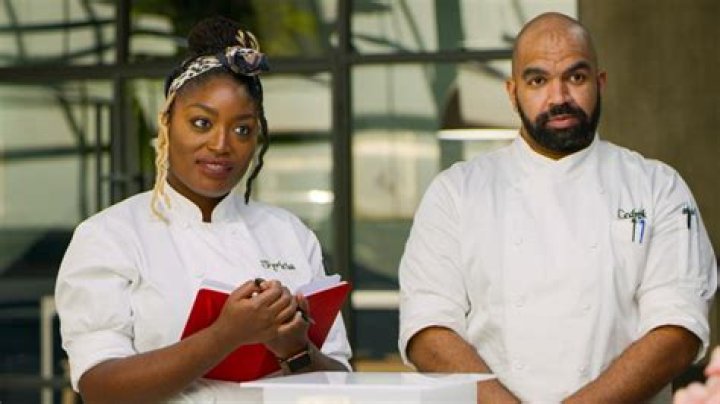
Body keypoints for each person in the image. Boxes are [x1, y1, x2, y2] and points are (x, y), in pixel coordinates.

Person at [398, 11, 716, 404]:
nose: (559, 97)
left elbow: (678, 329)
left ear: (600, 83)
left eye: (576, 77)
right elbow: (428, 330)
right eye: (538, 81)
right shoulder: (456, 193)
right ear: (512, 92)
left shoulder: (658, 187)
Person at [55, 16, 351, 403]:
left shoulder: (288, 233)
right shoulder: (110, 236)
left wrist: (296, 350)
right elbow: (100, 388)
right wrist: (225, 335)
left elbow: (342, 383)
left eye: (242, 129)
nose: (221, 144)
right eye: (201, 123)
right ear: (166, 124)